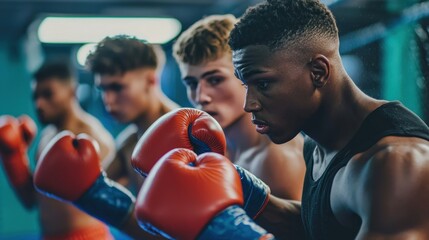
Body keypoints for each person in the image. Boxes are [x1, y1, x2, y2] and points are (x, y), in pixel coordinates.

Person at [226, 0, 429, 239]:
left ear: (318, 72)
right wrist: (249, 198)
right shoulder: (317, 146)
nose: (249, 104)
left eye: (263, 83)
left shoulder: (396, 163)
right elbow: (325, 225)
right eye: (245, 84)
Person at [172, 14, 306, 201]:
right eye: (192, 83)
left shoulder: (276, 156)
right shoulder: (206, 152)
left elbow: (298, 229)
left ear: (246, 75)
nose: (201, 96)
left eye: (215, 79)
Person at [0, 59, 117, 239]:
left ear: (72, 92)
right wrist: (13, 156)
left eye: (48, 94)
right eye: (36, 96)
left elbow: (111, 201)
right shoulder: (47, 136)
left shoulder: (94, 137)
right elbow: (31, 199)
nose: (39, 104)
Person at [85, 35, 179, 194]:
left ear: (150, 80)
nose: (108, 100)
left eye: (117, 88)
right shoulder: (128, 144)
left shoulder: (185, 134)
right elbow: (93, 193)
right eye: (103, 89)